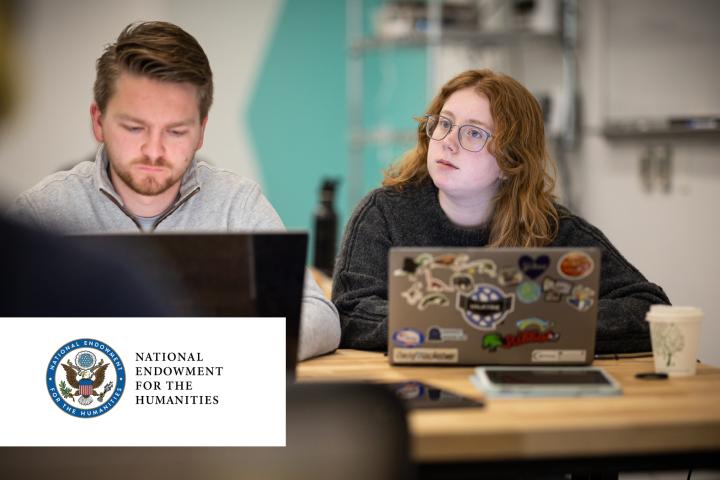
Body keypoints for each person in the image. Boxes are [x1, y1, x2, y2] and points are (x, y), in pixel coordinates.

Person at [8, 21, 340, 361]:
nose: (154, 150)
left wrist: (209, 356)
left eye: (176, 132)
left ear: (200, 132)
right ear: (98, 120)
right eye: (135, 128)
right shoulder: (43, 209)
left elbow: (320, 317)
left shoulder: (237, 205)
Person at [332, 69, 669, 354]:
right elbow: (350, 313)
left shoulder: (550, 227)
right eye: (444, 124)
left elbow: (651, 310)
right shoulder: (384, 213)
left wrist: (534, 321)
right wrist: (473, 322)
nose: (448, 141)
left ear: (511, 161)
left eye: (474, 133)